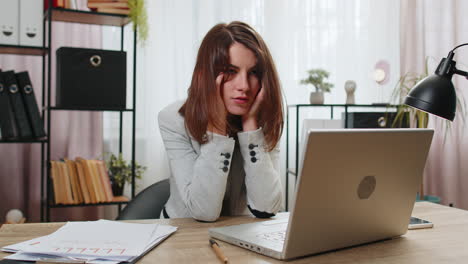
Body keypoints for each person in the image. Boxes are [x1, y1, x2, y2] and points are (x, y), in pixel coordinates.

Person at [158, 21, 284, 222]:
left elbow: (267, 207)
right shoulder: (173, 120)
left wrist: (251, 126)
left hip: (239, 233)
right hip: (183, 231)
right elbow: (204, 211)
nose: (244, 86)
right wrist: (216, 128)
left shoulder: (265, 119)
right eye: (231, 71)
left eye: (253, 73)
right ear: (205, 75)